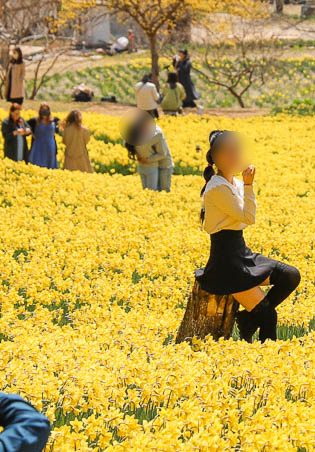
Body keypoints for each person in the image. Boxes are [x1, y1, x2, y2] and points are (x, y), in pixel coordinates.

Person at [197, 130, 300, 343]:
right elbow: (248, 217)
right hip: (227, 265)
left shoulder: (232, 182)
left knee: (290, 276)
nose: (234, 157)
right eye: (228, 152)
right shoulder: (217, 188)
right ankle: (266, 360)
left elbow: (245, 217)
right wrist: (249, 185)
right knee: (269, 317)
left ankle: (248, 319)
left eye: (236, 151)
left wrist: (244, 190)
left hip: (241, 253)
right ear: (215, 158)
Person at [126, 112, 172, 191]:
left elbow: (163, 154)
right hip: (151, 165)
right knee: (152, 191)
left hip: (163, 165)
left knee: (163, 190)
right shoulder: (136, 132)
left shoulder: (156, 134)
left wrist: (147, 159)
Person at [27, 103, 59, 168]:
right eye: (42, 109)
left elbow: (60, 127)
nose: (44, 111)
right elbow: (25, 125)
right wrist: (32, 134)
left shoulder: (54, 120)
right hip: (38, 145)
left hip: (50, 145)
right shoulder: (34, 121)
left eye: (46, 109)